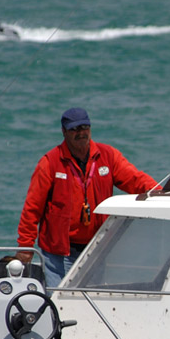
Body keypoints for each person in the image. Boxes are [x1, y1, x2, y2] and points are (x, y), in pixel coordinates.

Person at [16, 108, 158, 288]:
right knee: (59, 303)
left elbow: (135, 180)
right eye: (75, 129)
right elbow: (32, 208)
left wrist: (160, 192)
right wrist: (25, 246)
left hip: (96, 249)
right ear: (64, 131)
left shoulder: (108, 156)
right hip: (59, 253)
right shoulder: (50, 162)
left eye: (84, 127)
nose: (81, 133)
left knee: (92, 300)